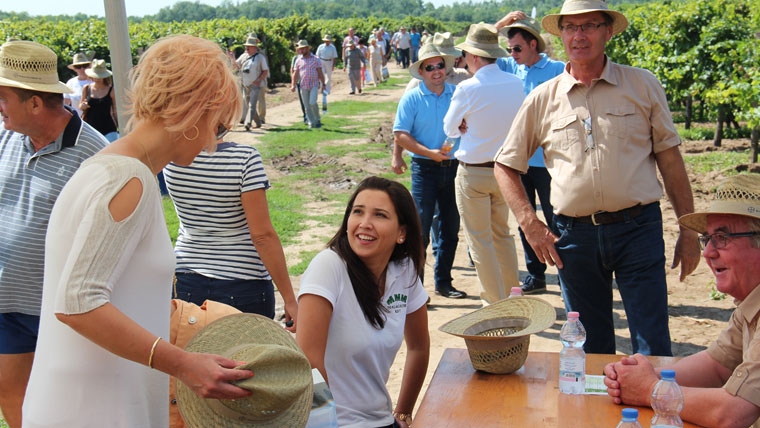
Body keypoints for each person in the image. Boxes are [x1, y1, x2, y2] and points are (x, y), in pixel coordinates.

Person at [22, 35, 254, 428]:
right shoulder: (130, 178)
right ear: (198, 109)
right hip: (97, 409)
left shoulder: (107, 167)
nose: (214, 144)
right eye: (220, 125)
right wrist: (184, 364)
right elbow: (78, 301)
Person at [493, 0, 700, 355]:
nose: (579, 35)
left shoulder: (641, 84)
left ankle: (653, 409)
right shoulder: (543, 98)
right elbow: (505, 165)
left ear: (608, 31)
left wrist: (689, 229)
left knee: (651, 341)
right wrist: (530, 223)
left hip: (638, 230)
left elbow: (670, 158)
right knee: (590, 349)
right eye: (571, 28)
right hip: (574, 237)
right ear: (560, 35)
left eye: (589, 26)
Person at [0, 40, 107, 428]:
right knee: (10, 394)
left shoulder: (92, 152)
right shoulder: (6, 135)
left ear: (33, 104)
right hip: (7, 302)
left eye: (3, 97)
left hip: (60, 311)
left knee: (71, 408)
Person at [604, 174, 760, 428]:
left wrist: (650, 390)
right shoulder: (751, 301)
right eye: (707, 239)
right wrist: (641, 379)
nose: (708, 252)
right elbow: (716, 366)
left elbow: (733, 413)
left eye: (722, 238)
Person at [296, 176, 429, 428]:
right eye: (358, 212)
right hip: (332, 423)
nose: (364, 224)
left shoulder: (405, 271)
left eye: (379, 215)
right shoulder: (329, 266)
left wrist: (403, 413)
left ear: (402, 232)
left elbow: (419, 347)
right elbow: (307, 362)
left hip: (381, 420)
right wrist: (327, 423)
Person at [164, 138, 298, 326]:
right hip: (243, 283)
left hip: (186, 279)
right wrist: (290, 299)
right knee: (247, 354)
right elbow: (262, 236)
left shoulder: (172, 156)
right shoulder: (244, 158)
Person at [443, 23, 525, 305]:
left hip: (474, 172)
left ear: (475, 56)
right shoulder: (515, 83)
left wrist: (465, 122)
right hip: (506, 170)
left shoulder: (468, 87)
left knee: (480, 241)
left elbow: (450, 129)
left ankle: (493, 303)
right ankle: (513, 296)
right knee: (502, 234)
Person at [495, 12, 566, 295]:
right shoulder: (511, 68)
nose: (511, 54)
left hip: (549, 161)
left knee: (556, 218)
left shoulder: (559, 70)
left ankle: (565, 272)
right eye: (509, 48)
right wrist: (501, 25)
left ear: (534, 44)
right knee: (525, 219)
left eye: (517, 48)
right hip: (519, 162)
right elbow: (473, 52)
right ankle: (536, 275)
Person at [392, 44, 465, 299]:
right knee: (420, 231)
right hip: (424, 169)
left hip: (454, 168)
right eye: (430, 67)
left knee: (451, 228)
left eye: (440, 66)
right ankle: (417, 292)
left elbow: (472, 123)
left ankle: (444, 282)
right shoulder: (411, 98)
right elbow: (400, 134)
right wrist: (428, 154)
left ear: (447, 68)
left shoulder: (458, 94)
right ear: (421, 72)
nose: (436, 71)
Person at [79, 59, 119, 142]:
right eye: (96, 76)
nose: (98, 78)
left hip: (109, 128)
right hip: (91, 128)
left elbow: (115, 110)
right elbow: (81, 105)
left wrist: (119, 125)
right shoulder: (86, 88)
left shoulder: (111, 90)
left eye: (100, 76)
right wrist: (83, 106)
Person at [291, 39, 325, 129]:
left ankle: (317, 119)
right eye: (300, 49)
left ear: (307, 48)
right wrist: (293, 85)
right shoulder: (298, 60)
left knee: (312, 102)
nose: (301, 51)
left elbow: (320, 72)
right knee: (307, 106)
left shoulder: (315, 59)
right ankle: (311, 122)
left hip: (314, 84)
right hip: (303, 85)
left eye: (303, 49)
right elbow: (295, 73)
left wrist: (323, 84)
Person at [236, 36, 268, 131]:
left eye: (249, 46)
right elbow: (236, 65)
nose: (247, 48)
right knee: (249, 104)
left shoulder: (260, 57)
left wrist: (258, 80)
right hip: (245, 84)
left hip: (255, 85)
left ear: (254, 47)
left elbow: (265, 71)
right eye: (246, 46)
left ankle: (248, 123)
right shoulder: (243, 56)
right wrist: (232, 57)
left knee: (251, 105)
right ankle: (258, 122)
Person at [63, 52, 92, 117]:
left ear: (89, 66)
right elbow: (65, 104)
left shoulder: (95, 81)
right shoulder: (71, 82)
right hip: (77, 120)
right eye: (78, 67)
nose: (82, 69)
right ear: (74, 68)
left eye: (84, 66)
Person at [316, 34, 338, 112]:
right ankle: (323, 88)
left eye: (328, 41)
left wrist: (333, 65)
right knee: (322, 75)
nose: (327, 42)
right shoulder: (320, 46)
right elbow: (317, 55)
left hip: (329, 61)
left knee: (329, 76)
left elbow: (334, 57)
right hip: (322, 61)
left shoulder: (332, 47)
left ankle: (327, 89)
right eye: (326, 41)